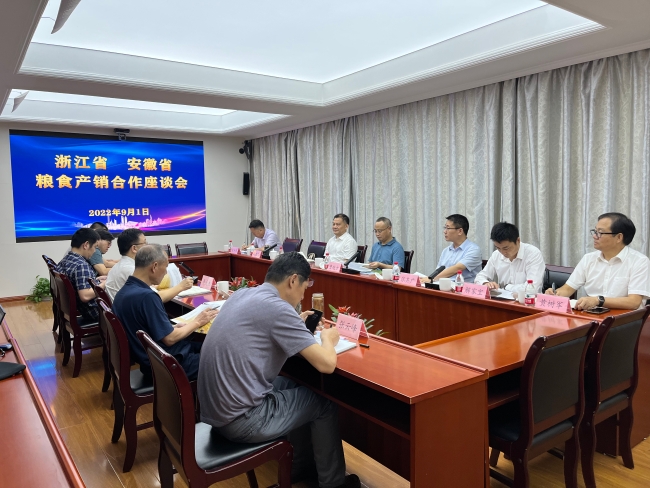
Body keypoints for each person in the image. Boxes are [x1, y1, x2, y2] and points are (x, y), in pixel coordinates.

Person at [198, 253, 360, 488]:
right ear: (293, 280)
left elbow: (262, 330)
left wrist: (296, 323)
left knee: (297, 385)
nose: (303, 295)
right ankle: (334, 484)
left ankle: (301, 466)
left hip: (216, 412)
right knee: (324, 403)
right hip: (241, 420)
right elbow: (327, 364)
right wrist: (328, 338)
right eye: (304, 287)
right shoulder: (278, 309)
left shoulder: (243, 294)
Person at [112, 244, 217, 381]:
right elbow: (170, 339)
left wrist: (173, 327)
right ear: (154, 266)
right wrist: (197, 322)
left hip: (151, 359)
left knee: (211, 347)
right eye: (166, 267)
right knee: (221, 358)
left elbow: (145, 326)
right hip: (166, 364)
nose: (166, 272)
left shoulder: (124, 291)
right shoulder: (147, 297)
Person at [545, 212, 650, 310]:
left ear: (619, 237)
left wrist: (598, 300)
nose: (594, 236)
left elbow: (634, 302)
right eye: (595, 231)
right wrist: (555, 294)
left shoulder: (639, 262)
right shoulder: (588, 259)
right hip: (591, 316)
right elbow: (568, 289)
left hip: (624, 319)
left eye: (600, 233)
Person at [105, 229, 193, 301]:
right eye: (145, 243)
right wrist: (181, 286)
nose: (148, 246)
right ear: (134, 248)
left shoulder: (119, 266)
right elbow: (156, 298)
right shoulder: (131, 270)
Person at [474, 222, 545, 292]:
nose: (502, 252)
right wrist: (485, 283)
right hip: (502, 298)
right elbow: (480, 277)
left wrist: (506, 287)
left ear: (518, 241)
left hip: (527, 299)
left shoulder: (533, 254)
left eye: (506, 248)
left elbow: (532, 287)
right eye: (498, 248)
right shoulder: (496, 255)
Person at [56, 228, 104, 321]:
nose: (95, 251)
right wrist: (106, 283)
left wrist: (97, 281)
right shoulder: (81, 265)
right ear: (86, 245)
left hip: (80, 310)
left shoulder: (65, 260)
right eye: (95, 247)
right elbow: (85, 295)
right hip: (95, 313)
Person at [420, 214, 482, 283]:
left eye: (448, 228)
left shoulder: (474, 250)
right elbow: (438, 272)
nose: (445, 231)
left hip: (461, 287)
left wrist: (432, 278)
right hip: (443, 286)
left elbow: (458, 268)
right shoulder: (446, 251)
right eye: (445, 227)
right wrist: (428, 279)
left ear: (460, 231)